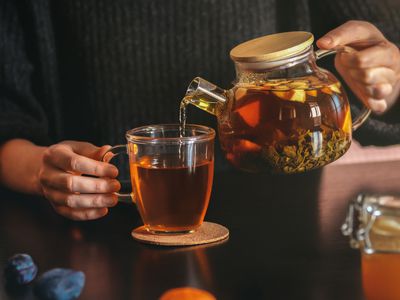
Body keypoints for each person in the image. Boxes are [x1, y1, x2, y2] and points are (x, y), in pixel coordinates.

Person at [0, 0, 399, 220]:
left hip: (285, 230)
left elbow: (383, 58)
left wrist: (385, 81)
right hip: (96, 232)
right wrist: (42, 170)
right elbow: (7, 119)